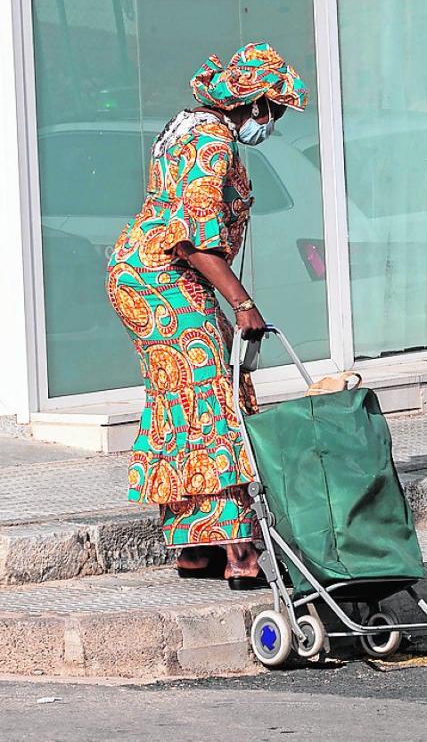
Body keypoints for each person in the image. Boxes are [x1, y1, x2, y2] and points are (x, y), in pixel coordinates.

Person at [106, 41, 307, 587]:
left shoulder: (188, 127)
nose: (274, 122)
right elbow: (192, 239)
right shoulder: (211, 141)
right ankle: (239, 552)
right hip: (164, 276)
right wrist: (243, 304)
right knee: (216, 398)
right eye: (275, 110)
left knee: (184, 399)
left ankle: (194, 549)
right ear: (254, 103)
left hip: (151, 273)